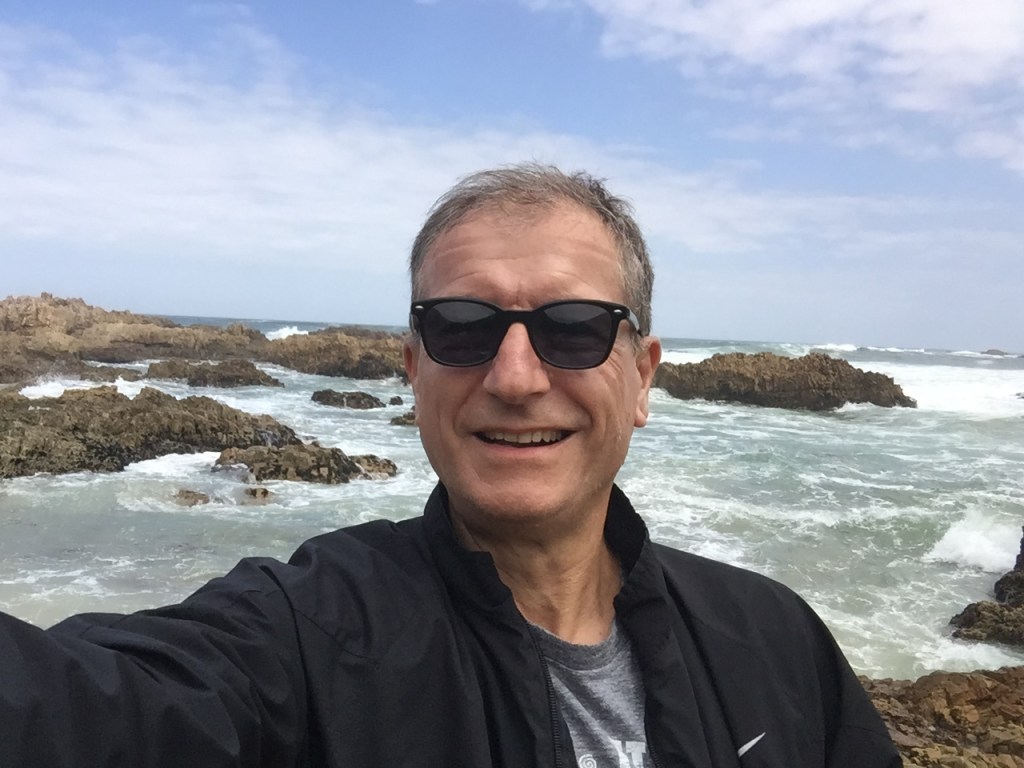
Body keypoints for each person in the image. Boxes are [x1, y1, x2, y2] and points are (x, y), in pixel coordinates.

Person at [0, 164, 899, 767]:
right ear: (414, 369)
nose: (515, 378)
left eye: (575, 329)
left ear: (642, 376)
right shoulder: (307, 633)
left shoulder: (774, 642)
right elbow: (83, 709)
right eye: (463, 328)